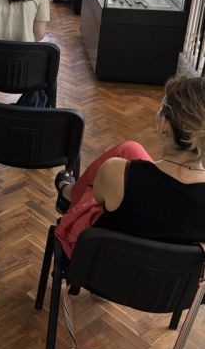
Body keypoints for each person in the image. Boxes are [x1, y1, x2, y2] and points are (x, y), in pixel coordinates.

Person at [54, 75, 205, 258]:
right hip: (169, 275)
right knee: (130, 149)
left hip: (103, 265)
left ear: (165, 125)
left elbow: (97, 198)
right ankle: (68, 193)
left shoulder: (116, 172)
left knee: (100, 192)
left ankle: (67, 193)